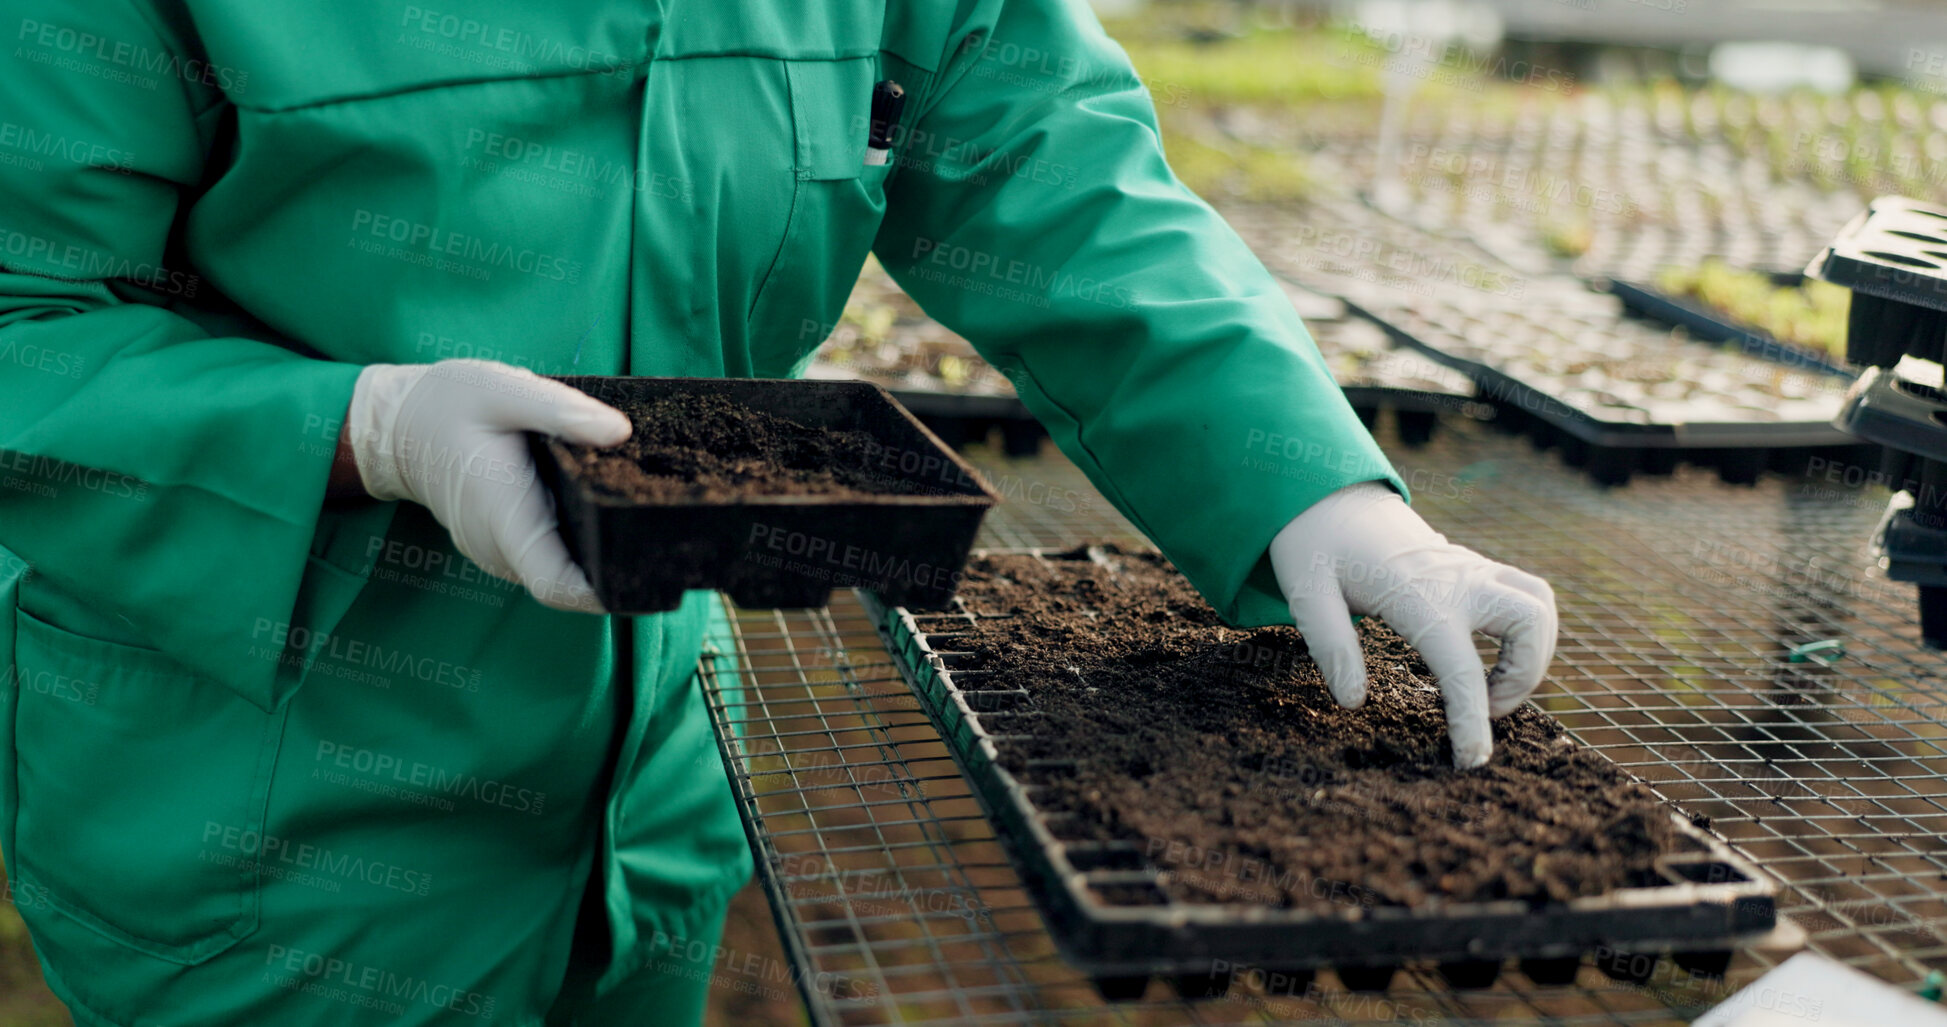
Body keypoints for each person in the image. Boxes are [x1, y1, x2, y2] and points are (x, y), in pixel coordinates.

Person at [0, 1, 1555, 1023]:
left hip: (650, 805)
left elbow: (1039, 154)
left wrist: (1315, 481)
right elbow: (27, 322)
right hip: (269, 840)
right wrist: (369, 429)